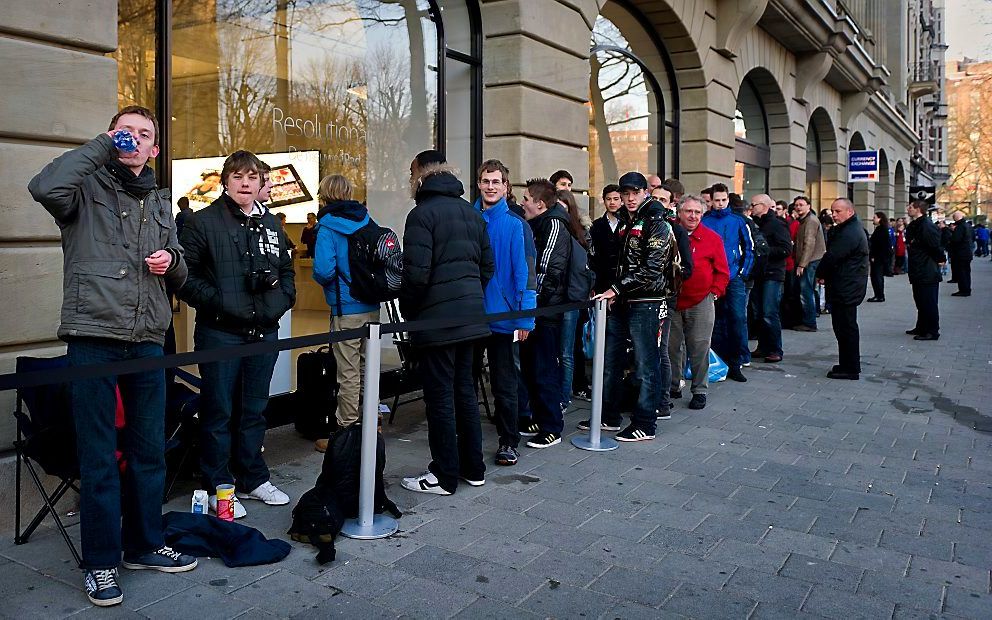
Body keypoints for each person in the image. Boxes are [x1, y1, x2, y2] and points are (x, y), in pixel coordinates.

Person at [29, 105, 197, 606]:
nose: (134, 140)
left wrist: (172, 262)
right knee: (99, 457)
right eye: (125, 131)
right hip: (93, 334)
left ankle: (144, 544)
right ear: (111, 137)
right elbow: (43, 186)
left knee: (148, 449)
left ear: (155, 149)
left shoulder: (162, 200)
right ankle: (101, 562)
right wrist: (104, 145)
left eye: (144, 134)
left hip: (148, 335)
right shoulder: (83, 189)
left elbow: (182, 271)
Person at [179, 150, 296, 518]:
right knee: (219, 411)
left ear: (262, 183)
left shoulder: (272, 224)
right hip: (220, 332)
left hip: (263, 331)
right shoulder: (201, 223)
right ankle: (218, 485)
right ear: (225, 181)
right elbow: (185, 278)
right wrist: (221, 303)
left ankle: (253, 477)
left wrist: (278, 303)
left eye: (252, 177)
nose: (245, 183)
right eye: (238, 176)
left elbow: (286, 272)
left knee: (254, 408)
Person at [400, 150, 495, 495]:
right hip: (471, 317)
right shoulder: (471, 214)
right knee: (465, 393)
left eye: (410, 172)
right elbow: (487, 266)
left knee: (440, 398)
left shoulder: (421, 215)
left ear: (421, 174)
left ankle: (443, 475)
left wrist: (412, 312)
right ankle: (473, 468)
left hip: (437, 321)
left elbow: (416, 275)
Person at [594, 172, 674, 441]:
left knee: (645, 363)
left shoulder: (656, 220)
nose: (629, 198)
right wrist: (616, 290)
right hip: (624, 299)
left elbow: (652, 268)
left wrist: (616, 288)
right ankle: (609, 415)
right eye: (625, 193)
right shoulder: (628, 220)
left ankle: (645, 423)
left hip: (647, 301)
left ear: (645, 193)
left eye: (635, 193)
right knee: (611, 360)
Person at [311, 175, 383, 453]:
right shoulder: (367, 219)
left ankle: (346, 432)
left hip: (346, 309)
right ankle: (372, 423)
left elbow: (324, 270)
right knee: (368, 368)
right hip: (371, 305)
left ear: (325, 195)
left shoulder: (327, 226)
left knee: (348, 371)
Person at [474, 159, 536, 467]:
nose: (490, 186)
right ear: (479, 184)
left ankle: (509, 441)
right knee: (466, 383)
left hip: (503, 317)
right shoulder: (468, 219)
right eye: (486, 181)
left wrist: (525, 317)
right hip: (470, 316)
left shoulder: (515, 224)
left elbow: (525, 272)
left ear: (505, 186)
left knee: (504, 384)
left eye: (496, 181)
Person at [518, 178, 571, 448]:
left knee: (544, 369)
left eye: (526, 198)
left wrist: (531, 308)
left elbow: (547, 270)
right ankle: (541, 418)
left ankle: (551, 427)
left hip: (545, 312)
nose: (522, 203)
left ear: (540, 204)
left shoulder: (552, 225)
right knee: (532, 369)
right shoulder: (539, 223)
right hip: (538, 310)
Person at [668, 195, 729, 410]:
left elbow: (723, 272)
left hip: (701, 301)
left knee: (699, 347)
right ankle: (673, 386)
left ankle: (700, 390)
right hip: (673, 300)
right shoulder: (669, 234)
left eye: (697, 212)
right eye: (688, 211)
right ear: (679, 213)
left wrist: (714, 293)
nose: (693, 216)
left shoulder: (712, 238)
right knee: (671, 347)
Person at [701, 183, 753, 382]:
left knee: (737, 318)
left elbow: (750, 248)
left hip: (733, 278)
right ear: (711, 201)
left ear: (728, 200)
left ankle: (736, 362)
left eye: (724, 200)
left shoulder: (738, 221)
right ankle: (717, 361)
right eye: (717, 200)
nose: (721, 204)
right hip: (712, 278)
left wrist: (742, 273)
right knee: (714, 320)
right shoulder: (705, 221)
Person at [814, 199, 869, 380]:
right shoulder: (847, 229)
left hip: (847, 286)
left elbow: (833, 256)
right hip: (844, 284)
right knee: (843, 328)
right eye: (832, 211)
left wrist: (820, 273)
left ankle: (850, 367)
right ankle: (847, 363)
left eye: (838, 211)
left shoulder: (850, 232)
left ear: (849, 212)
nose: (834, 215)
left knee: (846, 328)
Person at [556, 189, 592, 407]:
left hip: (571, 297)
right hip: (553, 299)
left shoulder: (580, 232)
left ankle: (564, 395)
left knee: (566, 351)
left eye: (564, 207)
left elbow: (585, 267)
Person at [749, 194, 791, 363]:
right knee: (759, 312)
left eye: (754, 205)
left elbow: (786, 249)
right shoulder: (758, 224)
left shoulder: (777, 224)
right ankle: (764, 346)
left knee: (769, 311)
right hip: (760, 273)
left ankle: (775, 348)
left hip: (773, 274)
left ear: (764, 206)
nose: (752, 208)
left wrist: (764, 250)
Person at [905, 199, 944, 341]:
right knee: (920, 300)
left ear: (918, 209)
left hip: (927, 270)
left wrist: (941, 259)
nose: (908, 209)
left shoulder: (926, 225)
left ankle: (932, 331)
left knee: (928, 301)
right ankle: (921, 326)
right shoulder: (915, 225)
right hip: (918, 269)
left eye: (910, 207)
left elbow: (935, 246)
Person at [792, 195, 825, 331]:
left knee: (806, 291)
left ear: (808, 206)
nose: (798, 207)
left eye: (801, 204)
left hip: (810, 261)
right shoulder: (804, 220)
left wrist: (802, 264)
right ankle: (810, 318)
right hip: (810, 261)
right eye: (796, 205)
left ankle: (809, 322)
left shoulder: (810, 221)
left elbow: (809, 244)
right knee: (809, 290)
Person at [589, 184, 624, 296]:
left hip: (622, 281)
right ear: (604, 201)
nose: (612, 202)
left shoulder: (629, 224)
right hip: (601, 281)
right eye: (608, 199)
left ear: (621, 201)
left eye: (616, 199)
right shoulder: (595, 226)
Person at [867, 211, 892, 302]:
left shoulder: (881, 230)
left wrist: (874, 256)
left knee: (877, 276)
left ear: (879, 219)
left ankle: (879, 295)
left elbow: (880, 245)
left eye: (874, 217)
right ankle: (878, 294)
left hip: (878, 258)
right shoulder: (881, 229)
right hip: (879, 257)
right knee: (876, 276)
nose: (873, 219)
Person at [948, 212, 973, 296]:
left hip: (961, 253)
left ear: (956, 217)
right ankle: (966, 289)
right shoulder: (967, 226)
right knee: (966, 272)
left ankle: (964, 290)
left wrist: (951, 239)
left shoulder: (960, 227)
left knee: (962, 272)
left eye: (953, 217)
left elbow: (956, 239)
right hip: (967, 252)